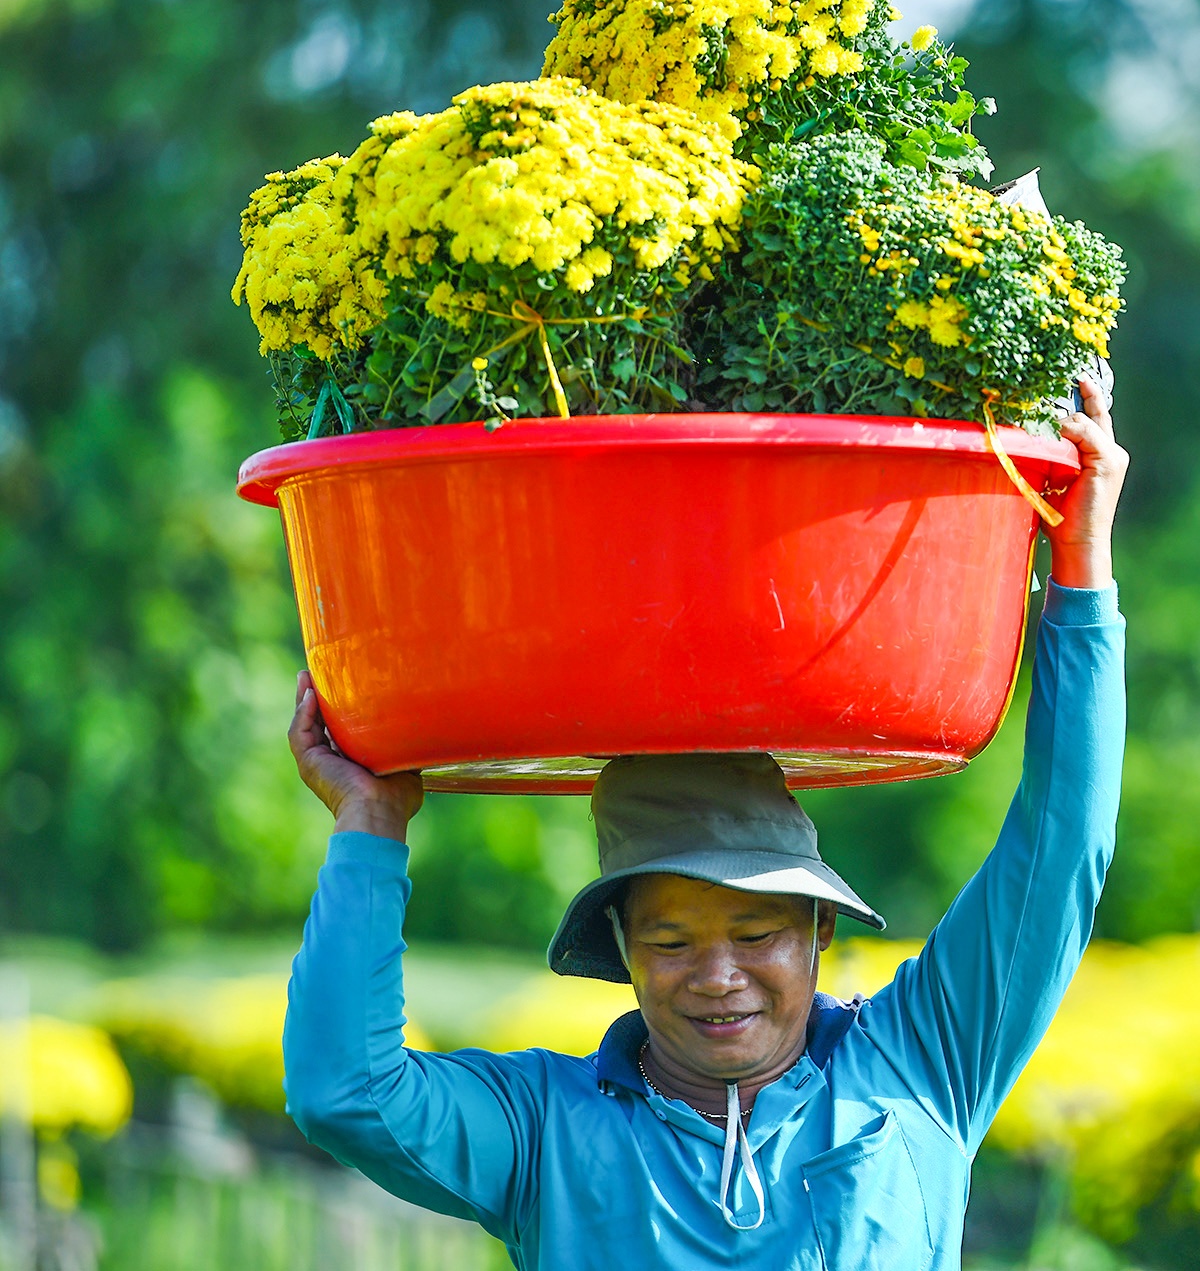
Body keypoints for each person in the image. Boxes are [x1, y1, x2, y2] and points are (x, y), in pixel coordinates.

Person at [280, 378, 1128, 1270]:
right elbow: (347, 1092)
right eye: (673, 941)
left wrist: (1081, 564)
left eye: (756, 930)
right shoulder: (545, 1129)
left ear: (818, 926)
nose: (719, 977)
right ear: (622, 942)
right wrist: (370, 824)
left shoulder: (921, 1064)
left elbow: (1061, 848)